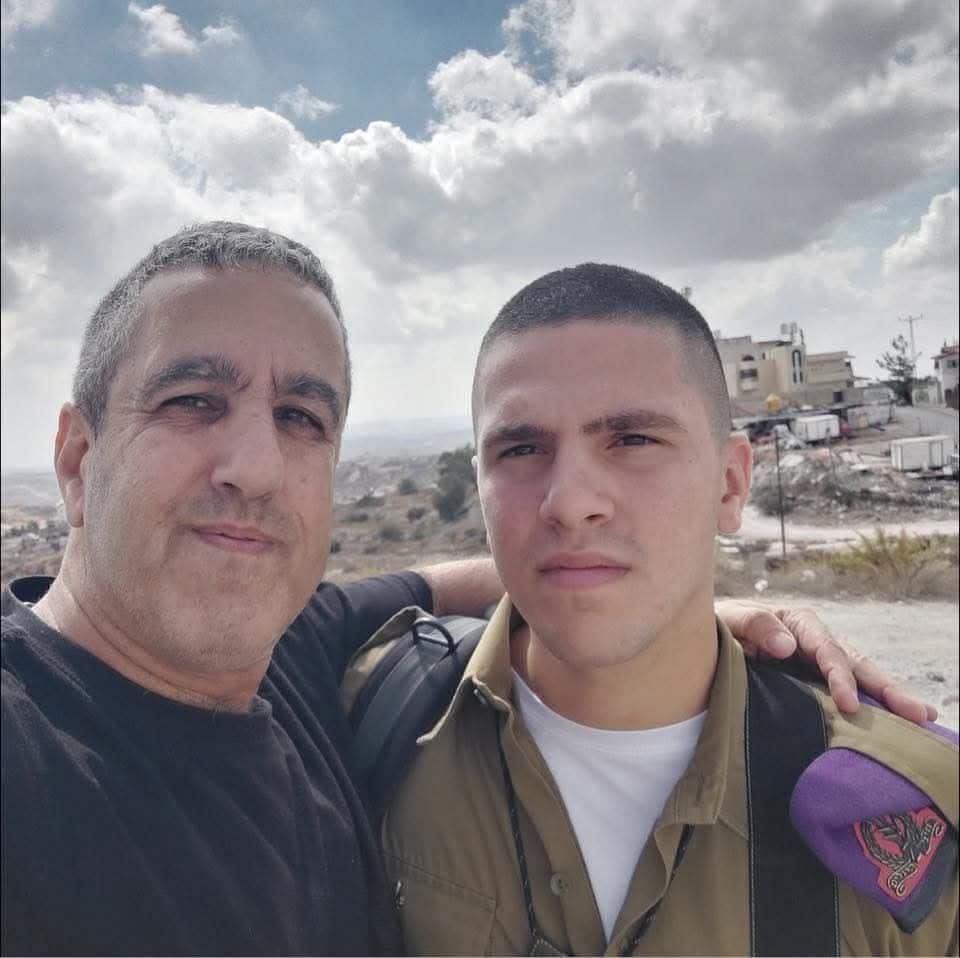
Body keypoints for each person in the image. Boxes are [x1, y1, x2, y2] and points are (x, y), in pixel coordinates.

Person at [0, 224, 937, 956]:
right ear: (77, 461)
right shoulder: (31, 749)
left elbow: (457, 577)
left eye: (300, 416)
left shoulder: (298, 654)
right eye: (191, 401)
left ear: (731, 482)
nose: (254, 464)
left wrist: (666, 597)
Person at [349, 264, 959, 956]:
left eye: (633, 440)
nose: (570, 502)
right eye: (521, 448)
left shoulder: (908, 815)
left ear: (730, 484)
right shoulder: (374, 714)